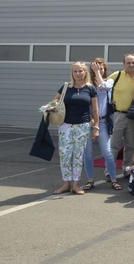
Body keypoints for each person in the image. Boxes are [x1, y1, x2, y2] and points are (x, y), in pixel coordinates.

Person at [52, 62, 99, 195]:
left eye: (80, 71)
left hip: (83, 126)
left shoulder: (90, 88)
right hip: (65, 125)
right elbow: (54, 102)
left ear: (85, 72)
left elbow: (95, 110)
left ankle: (76, 185)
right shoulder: (66, 87)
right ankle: (66, 184)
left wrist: (96, 126)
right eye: (75, 71)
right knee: (65, 155)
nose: (78, 74)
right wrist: (49, 107)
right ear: (72, 73)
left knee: (78, 155)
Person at [82, 58, 121, 192]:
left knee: (107, 152)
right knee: (87, 153)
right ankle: (90, 180)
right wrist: (92, 120)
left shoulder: (109, 81)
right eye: (96, 68)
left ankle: (114, 179)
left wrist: (98, 72)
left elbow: (103, 87)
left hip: (103, 121)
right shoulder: (87, 85)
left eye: (102, 68)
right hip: (88, 121)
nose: (99, 70)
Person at [109, 53, 134, 176]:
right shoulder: (116, 76)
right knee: (114, 145)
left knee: (130, 146)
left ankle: (127, 169)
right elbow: (103, 88)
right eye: (128, 63)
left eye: (133, 62)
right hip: (119, 115)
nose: (131, 65)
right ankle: (109, 171)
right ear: (124, 64)